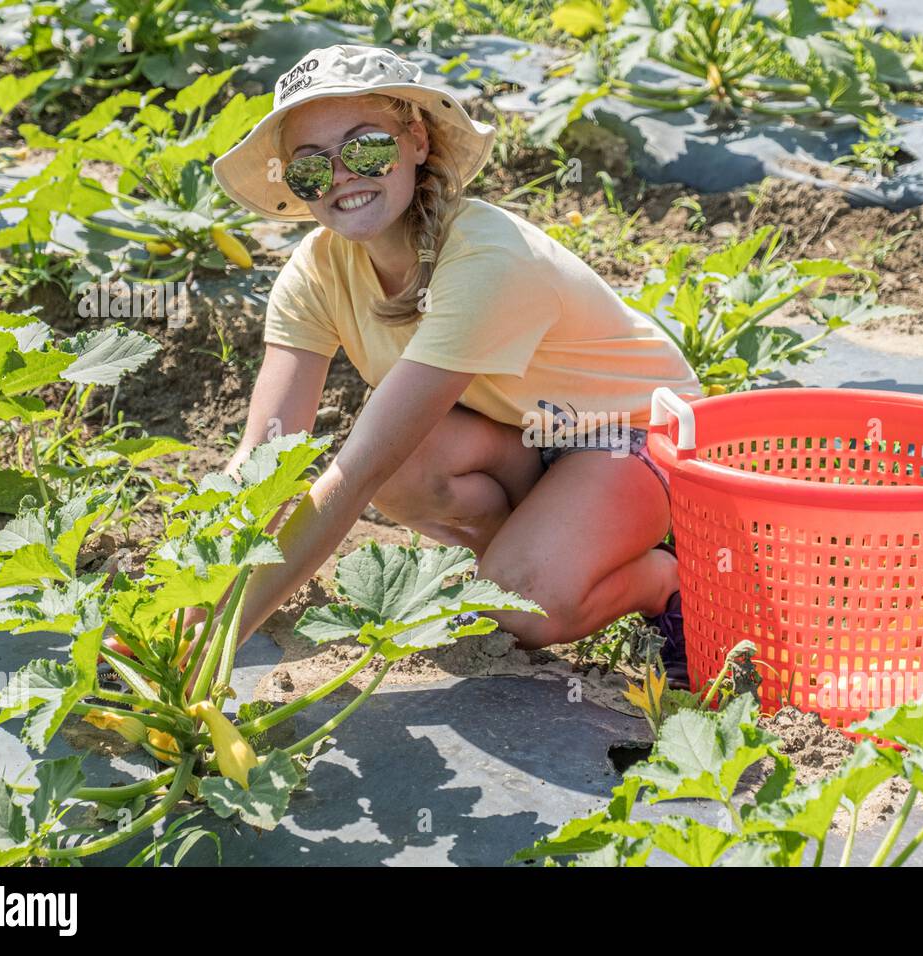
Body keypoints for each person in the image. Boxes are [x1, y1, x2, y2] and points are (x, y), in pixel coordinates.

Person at [198, 43, 699, 681]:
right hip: (527, 435)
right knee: (410, 471)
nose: (342, 177)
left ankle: (662, 579)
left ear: (416, 140)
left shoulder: (486, 258)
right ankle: (543, 556)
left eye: (365, 147)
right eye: (310, 167)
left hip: (637, 436)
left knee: (514, 611)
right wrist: (189, 596)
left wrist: (218, 640)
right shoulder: (316, 272)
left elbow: (354, 475)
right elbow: (262, 458)